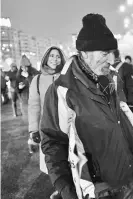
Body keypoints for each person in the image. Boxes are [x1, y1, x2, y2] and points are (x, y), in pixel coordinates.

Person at [40, 13, 133, 199]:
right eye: (104, 53)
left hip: (128, 180)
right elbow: (53, 142)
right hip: (97, 189)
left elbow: (117, 126)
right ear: (84, 53)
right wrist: (67, 191)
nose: (111, 59)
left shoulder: (110, 79)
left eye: (112, 53)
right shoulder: (62, 90)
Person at [27, 46, 66, 199]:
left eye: (58, 56)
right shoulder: (37, 80)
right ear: (46, 58)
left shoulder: (66, 76)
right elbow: (34, 106)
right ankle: (60, 189)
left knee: (69, 158)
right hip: (47, 127)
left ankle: (70, 188)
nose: (54, 59)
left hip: (66, 125)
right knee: (53, 161)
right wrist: (33, 129)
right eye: (51, 56)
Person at [112, 51, 133, 116]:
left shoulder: (101, 68)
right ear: (119, 56)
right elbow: (132, 85)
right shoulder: (126, 67)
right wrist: (131, 104)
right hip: (124, 102)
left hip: (110, 105)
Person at [16, 55, 38, 119]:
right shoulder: (19, 75)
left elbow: (37, 83)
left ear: (29, 66)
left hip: (35, 99)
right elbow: (16, 88)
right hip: (25, 99)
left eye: (26, 67)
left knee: (36, 118)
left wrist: (28, 76)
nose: (24, 69)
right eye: (22, 67)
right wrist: (19, 88)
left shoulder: (34, 72)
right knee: (28, 118)